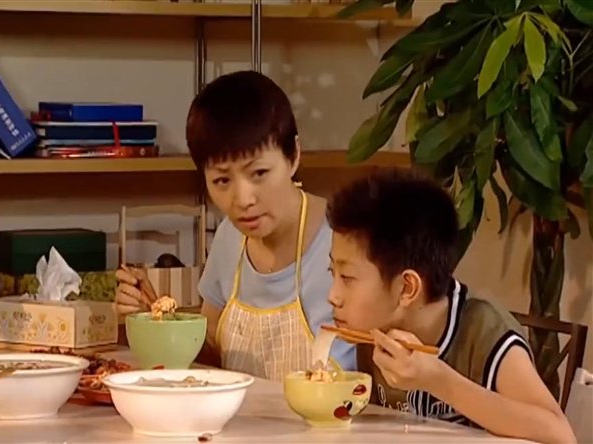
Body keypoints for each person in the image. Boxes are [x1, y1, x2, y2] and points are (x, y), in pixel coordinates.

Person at [114, 70, 355, 381]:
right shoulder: (230, 237)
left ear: (294, 155)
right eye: (222, 181)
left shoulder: (343, 238)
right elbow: (211, 358)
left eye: (259, 174)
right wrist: (155, 318)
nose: (243, 200)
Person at [326, 169, 576, 444]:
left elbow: (560, 434)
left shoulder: (483, 332)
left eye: (347, 278)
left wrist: (437, 380)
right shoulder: (374, 331)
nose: (333, 296)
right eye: (332, 272)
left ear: (407, 288)